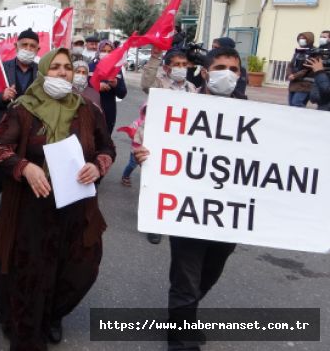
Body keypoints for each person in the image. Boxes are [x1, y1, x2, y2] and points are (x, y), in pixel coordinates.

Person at [0, 47, 115, 350]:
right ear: (44, 72)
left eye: (67, 68)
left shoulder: (87, 109)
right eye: (55, 67)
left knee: (81, 268)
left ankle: (52, 314)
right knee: (31, 274)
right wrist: (24, 166)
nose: (62, 73)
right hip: (32, 207)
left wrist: (96, 166)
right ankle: (28, 334)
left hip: (76, 206)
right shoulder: (23, 108)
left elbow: (107, 149)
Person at [133, 47, 245, 351]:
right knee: (186, 277)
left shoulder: (252, 114)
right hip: (186, 209)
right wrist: (144, 152)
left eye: (233, 69)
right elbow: (146, 136)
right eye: (220, 67)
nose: (227, 74)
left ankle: (185, 314)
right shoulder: (179, 106)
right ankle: (182, 340)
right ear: (206, 73)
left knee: (209, 272)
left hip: (227, 215)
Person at [0, 28, 40, 224]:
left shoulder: (42, 73)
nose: (28, 49)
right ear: (16, 46)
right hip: (2, 131)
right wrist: (1, 97)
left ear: (38, 49)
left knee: (21, 174)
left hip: (29, 133)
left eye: (32, 46)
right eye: (24, 45)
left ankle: (14, 214)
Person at [140, 48, 198, 245]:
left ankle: (169, 218)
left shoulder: (191, 88)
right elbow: (146, 83)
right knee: (154, 182)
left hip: (181, 143)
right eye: (176, 65)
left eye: (184, 65)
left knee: (174, 183)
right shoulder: (159, 84)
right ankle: (153, 225)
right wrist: (155, 58)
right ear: (167, 67)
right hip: (158, 140)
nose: (181, 69)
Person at [91, 40, 127, 134]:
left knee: (105, 142)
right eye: (103, 50)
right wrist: (96, 86)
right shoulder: (90, 67)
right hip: (91, 110)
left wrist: (116, 85)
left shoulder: (116, 70)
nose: (106, 54)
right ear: (99, 51)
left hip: (108, 113)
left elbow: (122, 94)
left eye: (109, 51)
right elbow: (80, 88)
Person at [287, 32, 316, 108]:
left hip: (305, 83)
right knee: (291, 104)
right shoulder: (299, 51)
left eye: (303, 38)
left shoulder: (314, 51)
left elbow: (307, 68)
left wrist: (295, 75)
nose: (301, 40)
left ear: (309, 39)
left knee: (297, 104)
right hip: (294, 82)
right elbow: (291, 64)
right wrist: (289, 74)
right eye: (300, 38)